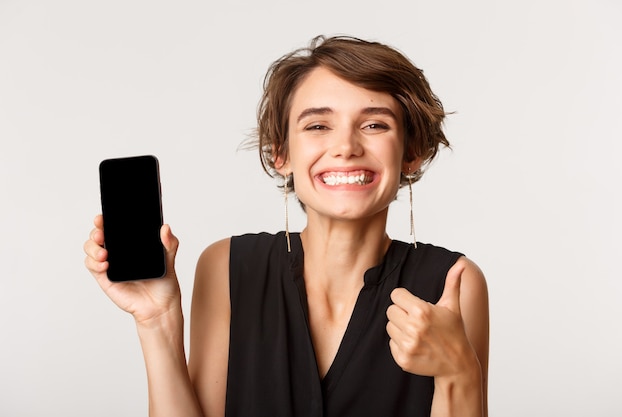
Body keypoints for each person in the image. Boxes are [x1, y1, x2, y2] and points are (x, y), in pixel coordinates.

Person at [84, 35, 489, 417]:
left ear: (411, 154)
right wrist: (157, 321)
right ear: (282, 155)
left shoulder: (453, 284)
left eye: (374, 125)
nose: (346, 147)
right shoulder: (227, 268)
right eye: (317, 126)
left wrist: (459, 373)